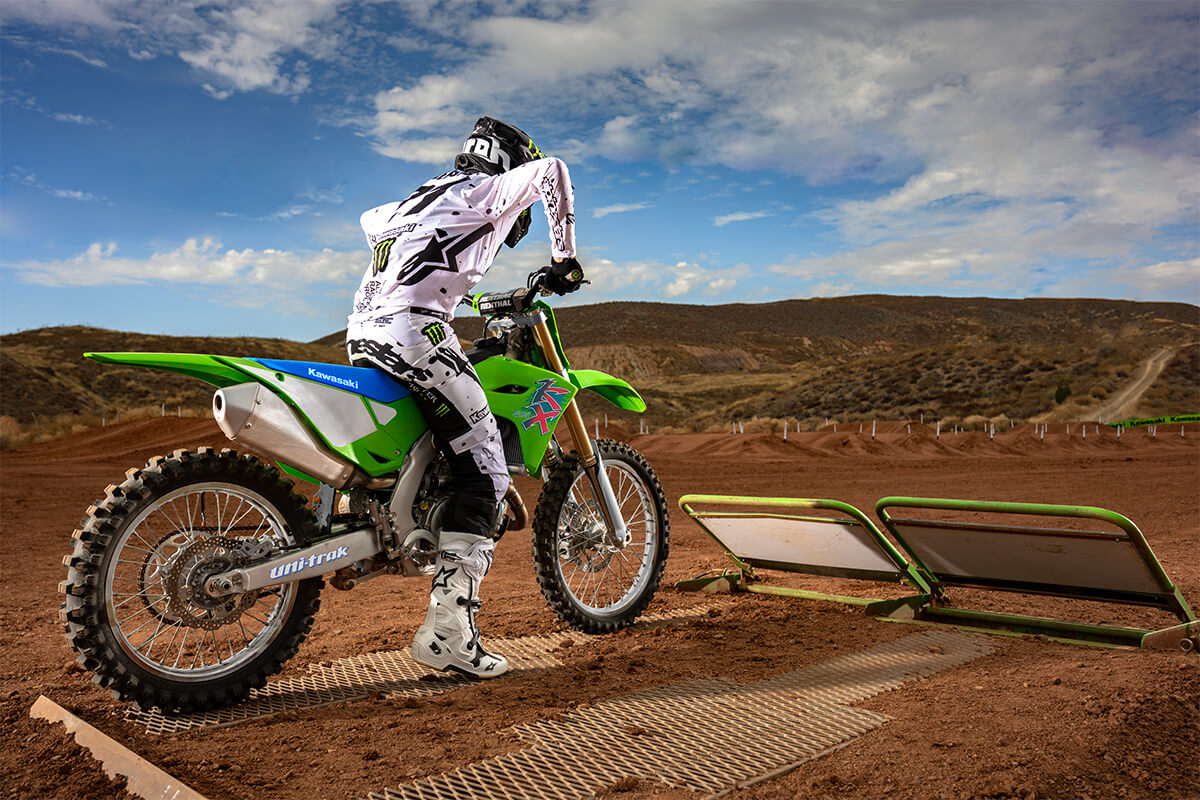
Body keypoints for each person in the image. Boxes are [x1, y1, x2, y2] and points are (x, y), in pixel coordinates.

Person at [345, 117, 584, 678]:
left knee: (437, 437)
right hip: (414, 329)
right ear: (507, 164)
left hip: (362, 332)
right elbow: (552, 171)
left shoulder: (414, 199)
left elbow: (369, 220)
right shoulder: (485, 190)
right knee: (487, 471)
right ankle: (448, 634)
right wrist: (564, 258)